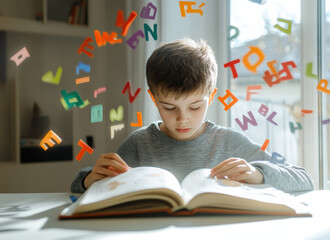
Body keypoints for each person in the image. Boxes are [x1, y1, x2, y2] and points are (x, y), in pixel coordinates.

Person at [71, 38, 314, 193]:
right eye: (169, 107)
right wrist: (90, 179)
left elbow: (304, 179)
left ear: (211, 97)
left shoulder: (230, 142)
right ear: (153, 98)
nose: (182, 118)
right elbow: (77, 188)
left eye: (195, 106)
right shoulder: (138, 143)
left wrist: (258, 173)